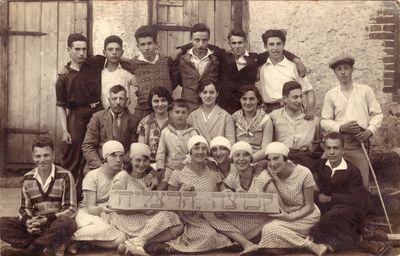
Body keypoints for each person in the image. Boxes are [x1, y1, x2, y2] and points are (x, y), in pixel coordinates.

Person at [178, 28, 306, 114]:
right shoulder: (223, 55)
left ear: (245, 42)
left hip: (246, 106)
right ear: (229, 44)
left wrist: (296, 60)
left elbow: (276, 51)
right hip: (224, 106)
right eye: (233, 43)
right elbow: (203, 45)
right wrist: (181, 49)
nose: (237, 46)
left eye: (240, 42)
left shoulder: (255, 58)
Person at [310, 132, 390, 255]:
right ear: (324, 149)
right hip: (326, 210)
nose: (331, 152)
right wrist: (317, 195)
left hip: (348, 211)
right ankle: (363, 236)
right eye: (328, 148)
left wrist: (331, 198)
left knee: (324, 223)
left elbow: (356, 199)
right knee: (315, 228)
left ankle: (362, 242)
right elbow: (302, 172)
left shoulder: (352, 171)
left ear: (343, 150)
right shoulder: (319, 166)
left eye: (336, 148)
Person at [0, 137, 77, 256]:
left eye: (46, 155)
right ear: (33, 156)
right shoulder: (27, 178)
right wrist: (28, 222)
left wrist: (47, 219)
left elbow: (71, 210)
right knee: (2, 224)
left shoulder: (65, 176)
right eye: (38, 156)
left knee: (68, 223)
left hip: (54, 223)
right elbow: (24, 208)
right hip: (37, 228)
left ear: (53, 155)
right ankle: (46, 246)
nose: (42, 160)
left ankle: (31, 251)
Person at [320, 54, 383, 188]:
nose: (343, 72)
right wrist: (342, 127)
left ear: (352, 70)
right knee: (323, 175)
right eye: (339, 69)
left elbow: (377, 114)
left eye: (346, 68)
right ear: (335, 72)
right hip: (337, 142)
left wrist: (369, 131)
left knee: (362, 181)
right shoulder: (331, 94)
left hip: (358, 143)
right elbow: (324, 121)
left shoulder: (365, 91)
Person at [110, 143, 184, 256]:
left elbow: (152, 200)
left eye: (145, 160)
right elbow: (117, 209)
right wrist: (141, 210)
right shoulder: (122, 178)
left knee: (178, 225)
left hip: (143, 216)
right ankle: (139, 243)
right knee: (167, 217)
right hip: (126, 219)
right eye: (137, 160)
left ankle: (135, 243)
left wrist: (153, 187)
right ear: (130, 161)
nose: (141, 164)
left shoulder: (147, 176)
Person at [205, 141, 275, 256]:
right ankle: (247, 243)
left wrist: (256, 231)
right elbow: (220, 208)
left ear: (251, 158)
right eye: (237, 155)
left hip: (262, 223)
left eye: (245, 155)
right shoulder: (234, 176)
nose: (241, 159)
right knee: (210, 214)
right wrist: (226, 196)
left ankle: (243, 241)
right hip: (242, 219)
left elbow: (278, 211)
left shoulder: (262, 177)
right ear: (232, 158)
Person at [166, 135, 233, 253]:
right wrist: (180, 194)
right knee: (209, 235)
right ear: (190, 151)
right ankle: (176, 248)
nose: (200, 152)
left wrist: (225, 194)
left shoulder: (213, 169)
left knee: (225, 233)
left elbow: (220, 190)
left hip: (211, 215)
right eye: (196, 148)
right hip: (189, 217)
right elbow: (169, 200)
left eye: (204, 148)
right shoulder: (179, 171)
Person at [258, 142, 327, 256]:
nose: (272, 163)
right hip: (285, 215)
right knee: (270, 241)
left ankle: (312, 246)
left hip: (306, 216)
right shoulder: (270, 170)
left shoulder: (304, 173)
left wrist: (290, 218)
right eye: (269, 160)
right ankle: (306, 244)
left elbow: (309, 207)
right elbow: (255, 167)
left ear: (286, 158)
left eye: (276, 158)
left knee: (269, 230)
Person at [55, 33, 102, 198]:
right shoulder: (63, 77)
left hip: (97, 112)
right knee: (74, 155)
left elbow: (115, 56)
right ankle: (67, 196)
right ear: (69, 50)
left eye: (84, 49)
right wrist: (64, 130)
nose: (81, 53)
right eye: (77, 49)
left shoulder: (94, 63)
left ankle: (94, 192)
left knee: (98, 149)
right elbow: (61, 106)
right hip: (76, 115)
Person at [74, 140, 126, 249]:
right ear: (105, 157)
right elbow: (90, 208)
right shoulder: (92, 176)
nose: (118, 160)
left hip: (110, 214)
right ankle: (71, 238)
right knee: (112, 233)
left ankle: (82, 243)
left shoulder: (122, 176)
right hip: (89, 214)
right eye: (113, 155)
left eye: (121, 156)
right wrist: (102, 209)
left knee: (124, 235)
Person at [122, 26, 179, 122]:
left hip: (166, 109)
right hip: (144, 110)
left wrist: (181, 49)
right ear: (138, 46)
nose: (146, 48)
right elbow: (115, 57)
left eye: (149, 43)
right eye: (142, 44)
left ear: (156, 44)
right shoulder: (134, 63)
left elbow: (174, 80)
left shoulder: (165, 60)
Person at [258, 30, 315, 118]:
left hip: (292, 110)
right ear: (265, 47)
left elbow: (309, 90)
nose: (275, 48)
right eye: (271, 44)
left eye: (279, 44)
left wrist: (311, 108)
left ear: (283, 45)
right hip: (269, 112)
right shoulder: (261, 68)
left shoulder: (294, 67)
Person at [82, 85, 139, 171]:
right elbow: (88, 146)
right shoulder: (97, 117)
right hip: (99, 165)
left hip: (122, 165)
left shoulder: (133, 120)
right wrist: (101, 167)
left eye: (121, 98)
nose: (118, 102)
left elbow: (133, 148)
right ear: (109, 100)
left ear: (126, 100)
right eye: (114, 98)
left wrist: (120, 164)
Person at [269, 81, 321, 171]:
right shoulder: (274, 117)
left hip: (305, 160)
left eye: (301, 96)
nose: (299, 101)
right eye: (295, 97)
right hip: (282, 159)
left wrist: (307, 153)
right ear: (285, 99)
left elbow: (317, 141)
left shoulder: (312, 119)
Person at [155, 99, 198, 189]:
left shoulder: (192, 132)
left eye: (183, 112)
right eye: (177, 112)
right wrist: (160, 167)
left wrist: (184, 164)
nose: (180, 115)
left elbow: (194, 153)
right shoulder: (166, 131)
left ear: (187, 114)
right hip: (169, 168)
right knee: (161, 187)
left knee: (187, 188)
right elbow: (161, 152)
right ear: (171, 113)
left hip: (186, 168)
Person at [178, 23, 220, 112]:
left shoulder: (216, 60)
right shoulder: (182, 60)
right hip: (188, 110)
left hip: (209, 109)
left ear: (209, 39)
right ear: (190, 39)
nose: (200, 44)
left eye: (204, 40)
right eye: (197, 40)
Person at [232, 85, 273, 162]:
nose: (247, 102)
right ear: (240, 100)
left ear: (258, 100)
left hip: (257, 160)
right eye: (244, 99)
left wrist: (251, 159)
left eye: (251, 99)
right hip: (237, 160)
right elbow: (231, 143)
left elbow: (265, 148)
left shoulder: (266, 120)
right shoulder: (234, 118)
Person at [188, 81, 235, 145]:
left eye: (212, 92)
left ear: (217, 94)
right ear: (200, 94)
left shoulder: (226, 116)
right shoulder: (192, 116)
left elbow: (230, 142)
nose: (208, 96)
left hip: (219, 154)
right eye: (204, 92)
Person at [137, 86, 173, 163]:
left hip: (172, 164)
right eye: (156, 101)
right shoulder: (144, 123)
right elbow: (141, 150)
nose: (160, 104)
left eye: (163, 100)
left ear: (168, 101)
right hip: (151, 164)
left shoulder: (176, 121)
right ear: (151, 102)